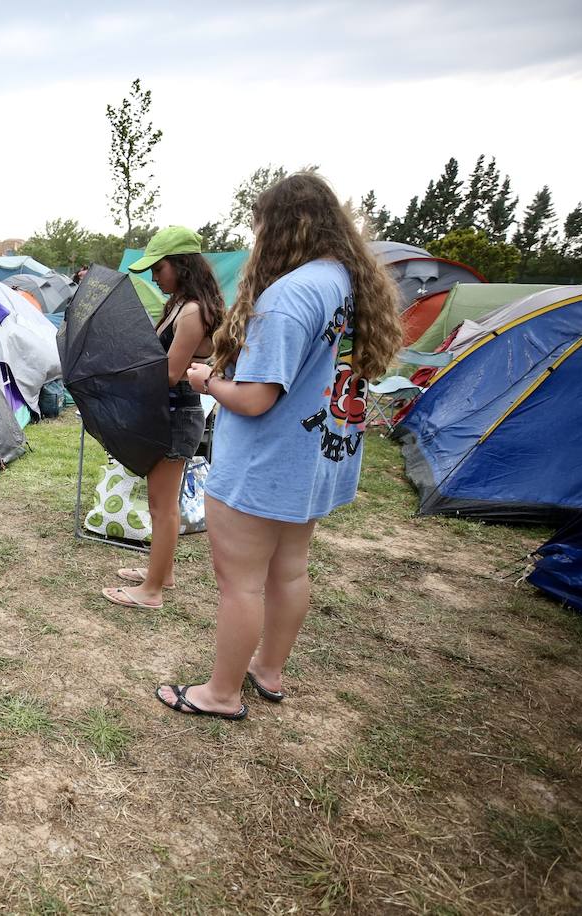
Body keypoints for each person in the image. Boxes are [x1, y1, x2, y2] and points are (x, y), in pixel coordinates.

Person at [156, 173, 401, 720]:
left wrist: (205, 382)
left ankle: (220, 695)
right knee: (289, 570)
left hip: (266, 463)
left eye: (258, 227)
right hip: (315, 456)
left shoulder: (290, 294)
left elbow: (256, 398)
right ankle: (267, 669)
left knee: (239, 583)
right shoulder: (348, 281)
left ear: (282, 227)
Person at [102, 226, 223, 611]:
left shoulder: (191, 311)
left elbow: (170, 373)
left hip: (179, 414)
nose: (155, 277)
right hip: (165, 413)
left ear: (181, 265)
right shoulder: (178, 305)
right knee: (159, 502)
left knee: (162, 505)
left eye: (159, 268)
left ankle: (152, 591)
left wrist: (124, 372)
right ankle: (162, 573)